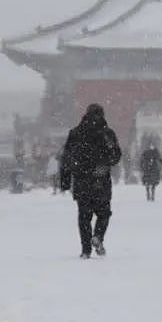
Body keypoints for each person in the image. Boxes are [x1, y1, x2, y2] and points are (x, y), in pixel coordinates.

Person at [59, 104, 122, 258]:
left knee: (84, 216)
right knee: (104, 213)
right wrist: (105, 164)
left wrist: (65, 181)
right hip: (101, 179)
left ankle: (86, 249)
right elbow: (116, 155)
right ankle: (98, 236)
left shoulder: (75, 133)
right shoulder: (107, 133)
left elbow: (66, 158)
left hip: (81, 180)